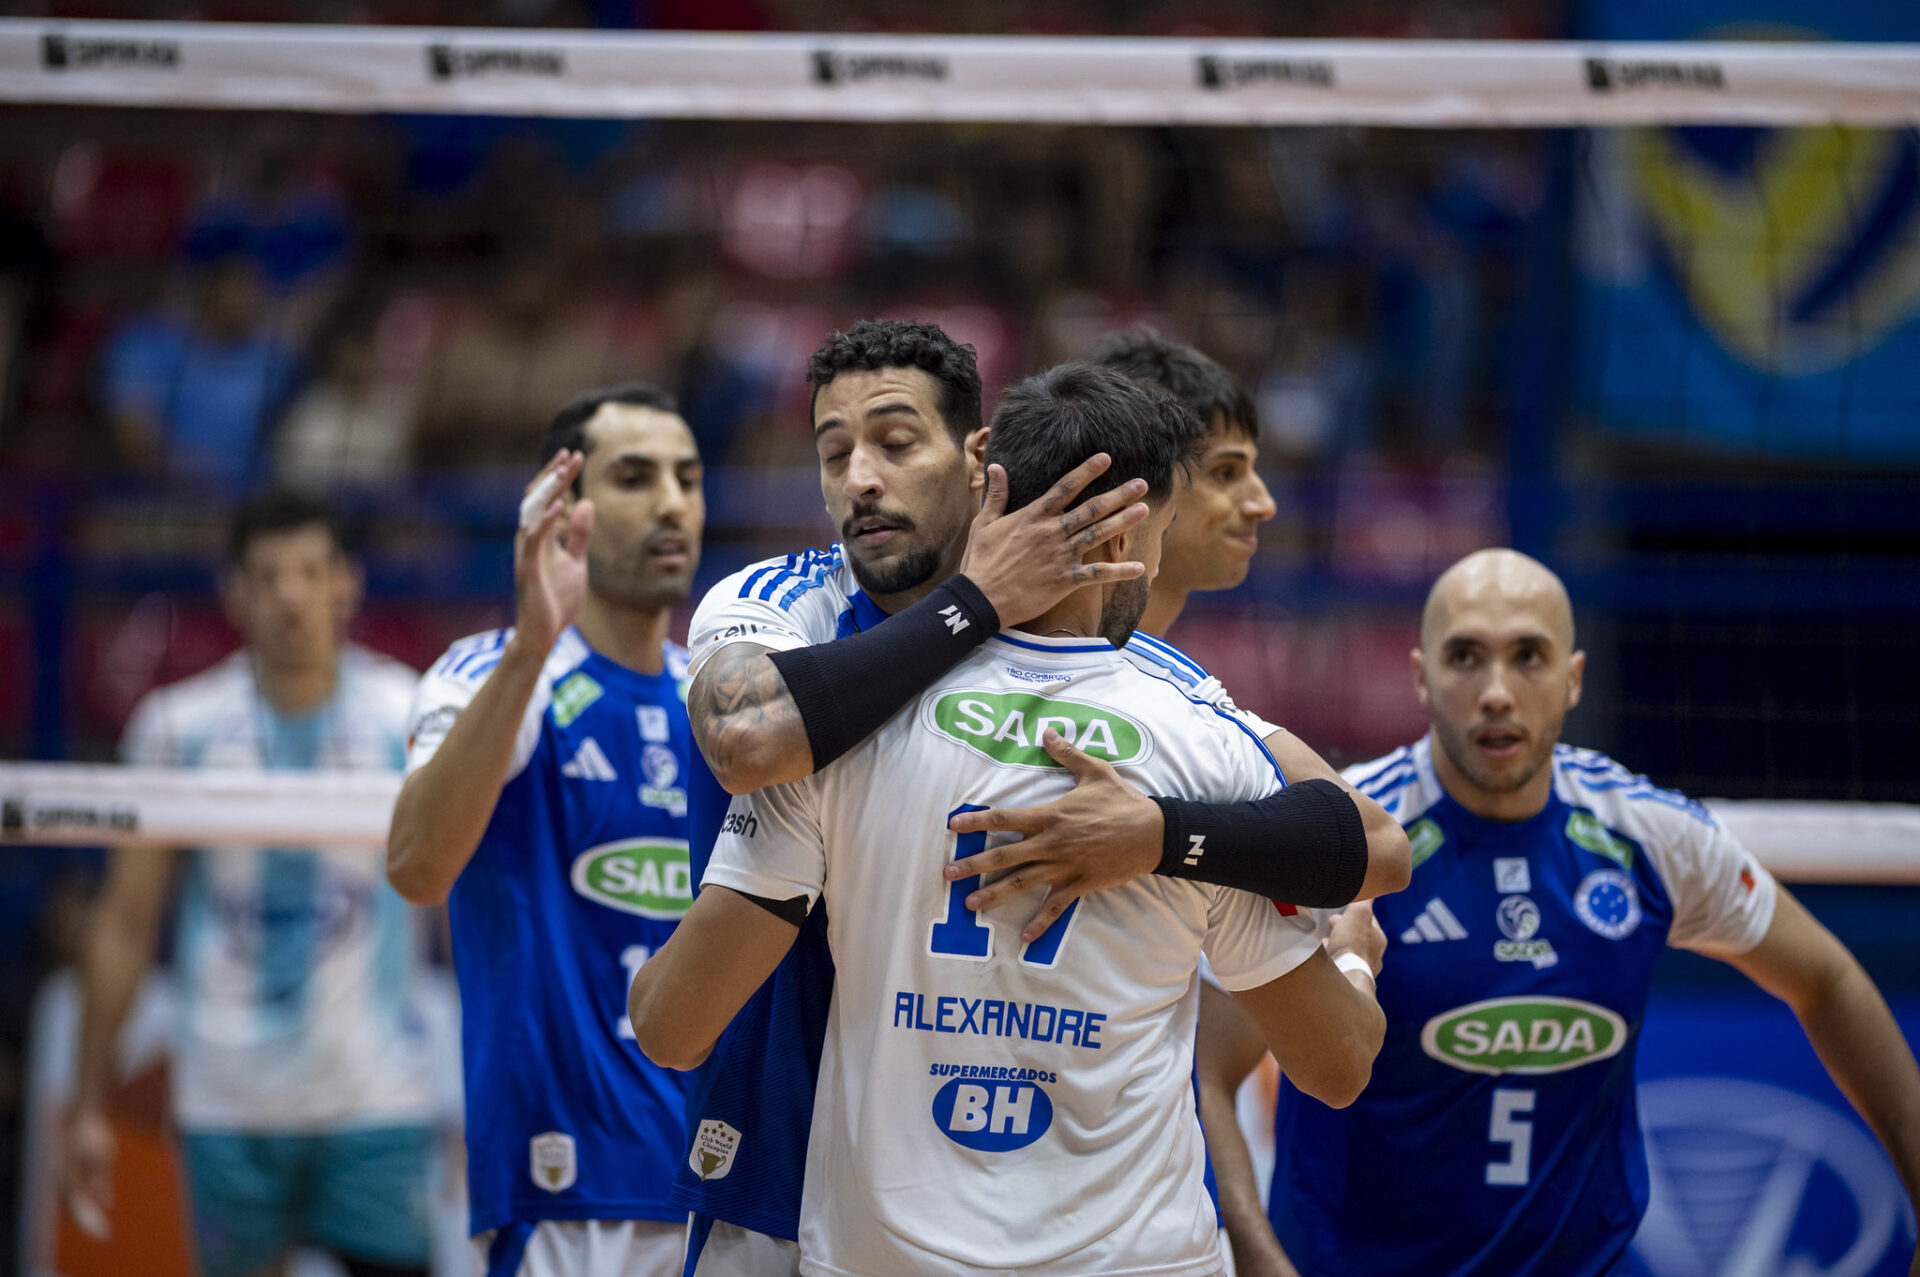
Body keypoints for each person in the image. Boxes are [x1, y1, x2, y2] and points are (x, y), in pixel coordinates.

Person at [666, 320, 1407, 1276]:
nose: (860, 478)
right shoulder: (780, 603)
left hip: (922, 1211)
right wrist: (978, 599)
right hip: (779, 1151)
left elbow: (1372, 841)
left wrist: (1158, 835)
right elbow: (745, 736)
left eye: (894, 442)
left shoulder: (1158, 695)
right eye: (833, 450)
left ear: (981, 466)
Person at [1249, 548, 1920, 1276]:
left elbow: (1828, 978)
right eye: (1466, 655)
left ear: (1572, 679)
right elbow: (1211, 1063)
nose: (1497, 691)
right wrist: (1256, 1256)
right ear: (1421, 676)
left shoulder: (1645, 834)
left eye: (1528, 657)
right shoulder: (1343, 833)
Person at [65, 490, 435, 1277]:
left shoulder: (408, 713)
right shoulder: (178, 726)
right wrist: (89, 1101)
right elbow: (126, 922)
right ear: (235, 593)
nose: (293, 595)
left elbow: (464, 900)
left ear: (348, 584)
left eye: (310, 572)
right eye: (269, 576)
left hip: (377, 1100)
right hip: (228, 1104)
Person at [386, 383, 704, 1277]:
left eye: (688, 476)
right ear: (564, 507)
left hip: (721, 1193)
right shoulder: (492, 671)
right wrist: (531, 644)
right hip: (566, 1195)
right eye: (637, 477)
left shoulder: (721, 701)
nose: (673, 502)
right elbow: (414, 866)